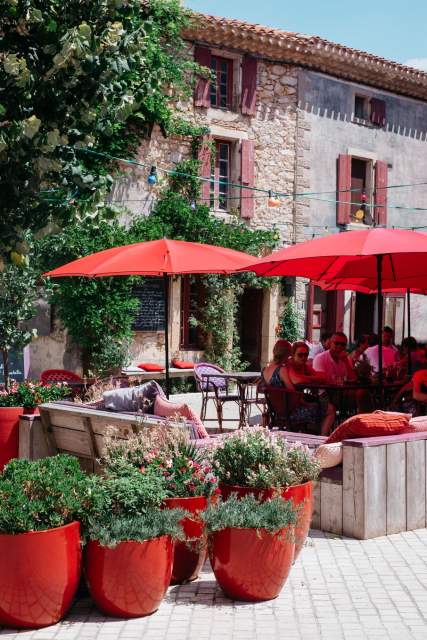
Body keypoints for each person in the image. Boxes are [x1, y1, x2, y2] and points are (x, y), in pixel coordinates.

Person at [283, 341, 336, 435]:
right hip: (290, 408)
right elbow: (297, 380)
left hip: (297, 403)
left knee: (325, 404)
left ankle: (316, 435)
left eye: (306, 355)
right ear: (292, 355)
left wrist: (307, 378)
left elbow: (322, 376)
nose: (304, 357)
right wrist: (311, 379)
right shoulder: (289, 365)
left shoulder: (304, 366)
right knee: (330, 409)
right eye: (300, 355)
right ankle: (322, 439)